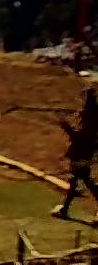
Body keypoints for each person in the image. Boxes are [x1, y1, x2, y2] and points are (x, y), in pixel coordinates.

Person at [53, 87, 98, 219]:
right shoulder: (90, 122)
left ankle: (65, 210)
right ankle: (65, 209)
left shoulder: (89, 125)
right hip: (83, 156)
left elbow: (79, 138)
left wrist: (65, 126)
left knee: (84, 182)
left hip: (82, 156)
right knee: (77, 182)